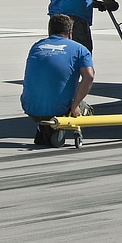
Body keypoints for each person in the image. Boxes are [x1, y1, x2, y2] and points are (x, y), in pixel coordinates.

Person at [21, 14, 94, 146]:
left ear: (49, 31)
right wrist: (75, 104)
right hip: (59, 109)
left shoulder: (36, 46)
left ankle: (43, 126)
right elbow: (89, 76)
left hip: (30, 107)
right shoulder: (79, 49)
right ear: (70, 33)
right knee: (85, 109)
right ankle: (59, 127)